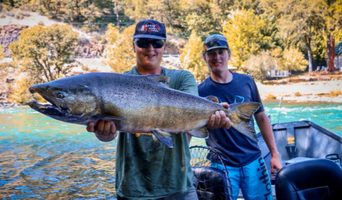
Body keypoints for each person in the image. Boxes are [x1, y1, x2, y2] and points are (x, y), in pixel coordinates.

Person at [86, 20, 232, 200]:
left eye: (157, 43)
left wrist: (213, 116)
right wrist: (104, 134)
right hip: (133, 187)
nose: (150, 49)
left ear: (165, 47)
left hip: (179, 185)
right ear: (134, 46)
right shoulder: (120, 82)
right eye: (142, 43)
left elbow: (192, 113)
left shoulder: (182, 78)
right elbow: (109, 135)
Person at [198, 34, 283, 200]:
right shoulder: (199, 91)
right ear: (205, 58)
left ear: (229, 54)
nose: (217, 57)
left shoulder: (247, 81)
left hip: (253, 159)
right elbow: (193, 127)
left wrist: (274, 154)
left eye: (221, 52)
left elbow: (261, 118)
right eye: (211, 53)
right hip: (220, 163)